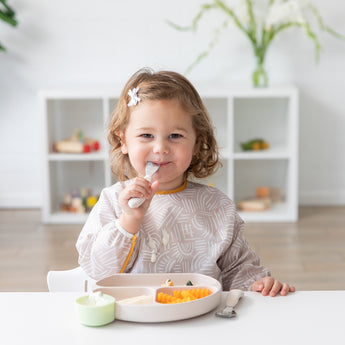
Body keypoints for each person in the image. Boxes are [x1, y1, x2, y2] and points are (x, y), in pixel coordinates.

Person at [76, 68, 295, 297]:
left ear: (197, 142)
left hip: (202, 321)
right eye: (146, 136)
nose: (160, 148)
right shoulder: (112, 202)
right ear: (124, 140)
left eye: (175, 136)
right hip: (137, 320)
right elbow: (99, 272)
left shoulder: (217, 206)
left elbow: (237, 269)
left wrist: (257, 284)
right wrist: (127, 221)